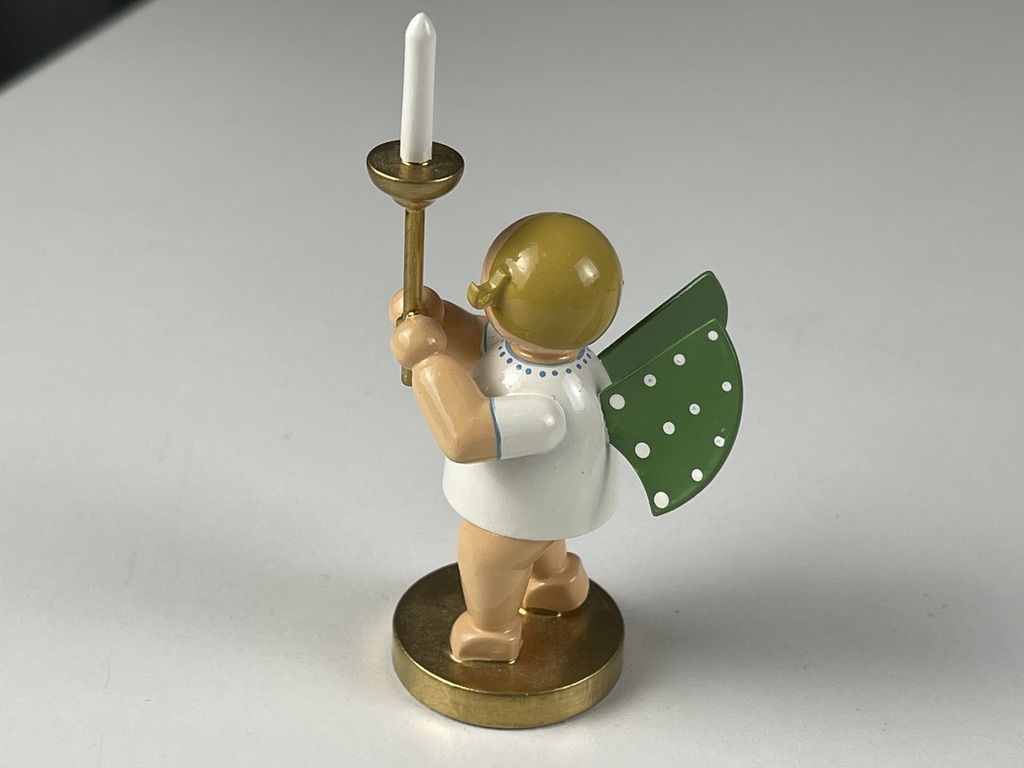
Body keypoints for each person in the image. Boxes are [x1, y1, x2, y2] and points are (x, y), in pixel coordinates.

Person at [390, 212, 624, 662]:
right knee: (542, 536)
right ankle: (555, 583)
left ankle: (491, 630)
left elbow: (465, 434)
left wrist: (426, 361)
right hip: (549, 504)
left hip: (516, 511)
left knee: (487, 554)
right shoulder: (559, 359)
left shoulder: (548, 406)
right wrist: (437, 317)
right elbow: (474, 340)